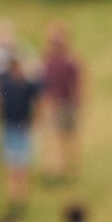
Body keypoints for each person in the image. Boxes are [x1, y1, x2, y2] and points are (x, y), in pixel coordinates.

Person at [0, 54, 44, 213]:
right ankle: (15, 200)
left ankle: (20, 200)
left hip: (21, 128)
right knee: (14, 168)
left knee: (22, 167)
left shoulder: (24, 85)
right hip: (11, 128)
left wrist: (35, 119)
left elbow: (39, 98)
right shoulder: (11, 85)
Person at [39, 23, 84, 184]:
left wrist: (78, 103)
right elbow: (42, 84)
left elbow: (78, 84)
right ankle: (57, 170)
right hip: (53, 104)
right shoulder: (46, 60)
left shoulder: (70, 60)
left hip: (67, 104)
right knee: (55, 139)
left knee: (68, 138)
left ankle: (68, 169)